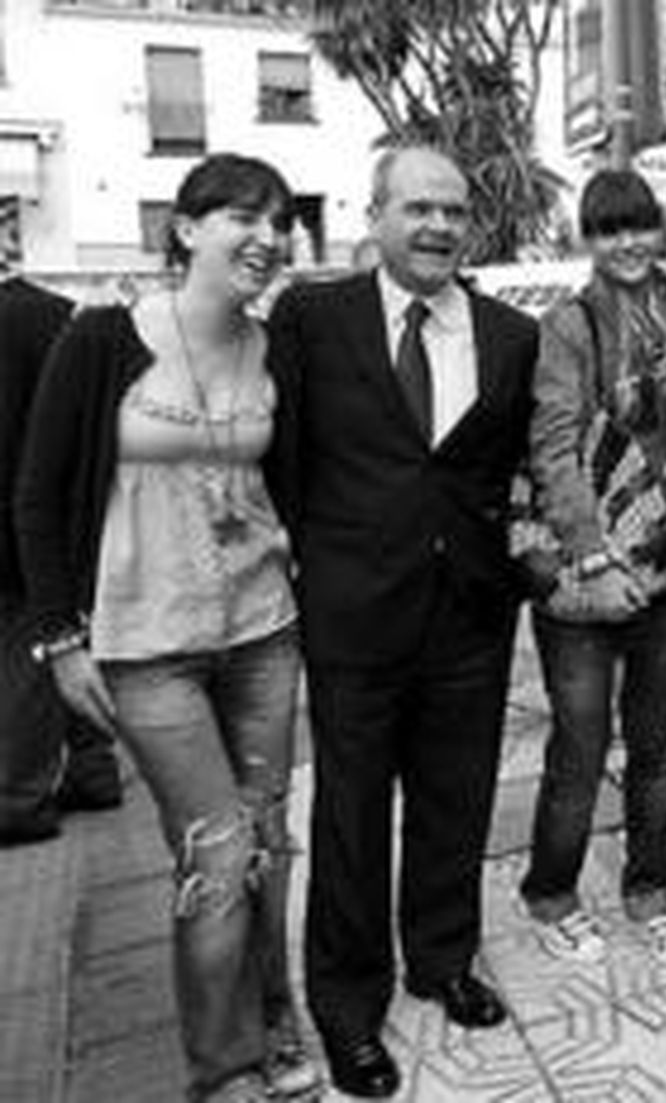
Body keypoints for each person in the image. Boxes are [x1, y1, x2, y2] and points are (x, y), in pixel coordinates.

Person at [14, 154, 317, 1103]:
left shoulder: (278, 349)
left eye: (280, 221)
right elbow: (36, 494)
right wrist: (58, 639)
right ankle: (221, 1069)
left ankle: (274, 1018)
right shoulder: (101, 336)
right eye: (242, 216)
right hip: (147, 648)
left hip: (263, 630)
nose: (267, 237)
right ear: (185, 229)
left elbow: (297, 483)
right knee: (217, 852)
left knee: (268, 837)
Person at [266, 145, 539, 1100]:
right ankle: (348, 1007)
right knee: (348, 814)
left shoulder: (510, 334)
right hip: (354, 613)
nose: (438, 227)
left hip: (470, 612)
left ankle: (443, 958)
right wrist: (323, 567)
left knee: (455, 800)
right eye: (418, 208)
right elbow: (284, 463)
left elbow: (506, 471)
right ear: (374, 215)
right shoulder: (312, 318)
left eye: (454, 213)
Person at [517, 169, 666, 968]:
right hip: (586, 565)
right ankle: (551, 893)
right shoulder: (572, 323)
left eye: (639, 227)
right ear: (587, 239)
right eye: (608, 230)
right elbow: (553, 443)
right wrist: (590, 551)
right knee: (582, 745)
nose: (628, 243)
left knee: (656, 746)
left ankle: (647, 889)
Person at [0, 271, 122, 846]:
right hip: (58, 509)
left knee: (29, 652)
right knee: (62, 636)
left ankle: (18, 798)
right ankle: (94, 768)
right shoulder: (54, 313)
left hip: (22, 514)